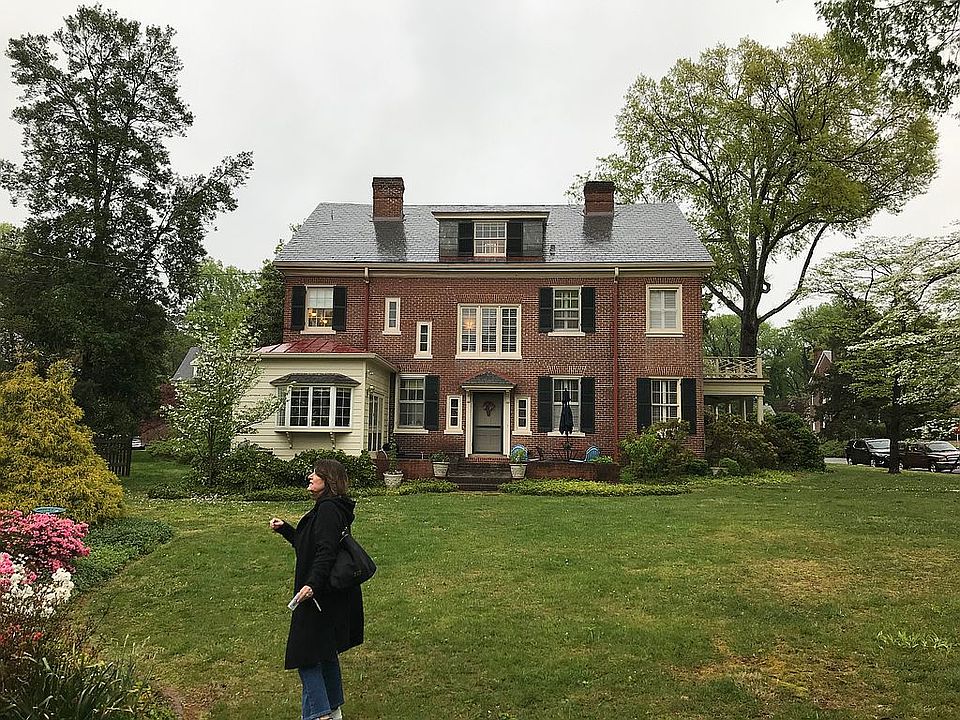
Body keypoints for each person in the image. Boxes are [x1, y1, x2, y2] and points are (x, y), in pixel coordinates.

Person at [270, 459, 364, 720]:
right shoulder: (328, 508)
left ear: (328, 480)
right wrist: (286, 530)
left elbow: (326, 551)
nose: (310, 477)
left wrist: (312, 584)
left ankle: (320, 715)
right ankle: (333, 710)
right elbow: (310, 545)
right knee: (324, 651)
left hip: (319, 595)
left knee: (306, 654)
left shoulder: (328, 510)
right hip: (327, 593)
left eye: (316, 473)